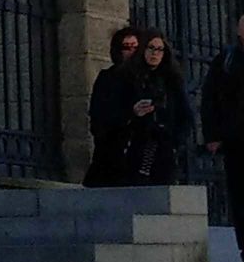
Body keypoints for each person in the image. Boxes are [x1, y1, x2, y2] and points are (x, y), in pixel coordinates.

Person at [112, 27, 193, 185]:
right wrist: (133, 112)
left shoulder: (172, 80)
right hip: (137, 145)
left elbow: (185, 114)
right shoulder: (126, 77)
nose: (155, 53)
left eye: (159, 49)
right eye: (151, 48)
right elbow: (114, 112)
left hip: (165, 146)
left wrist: (176, 142)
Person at [201, 15, 244, 262]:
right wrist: (213, 135)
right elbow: (210, 99)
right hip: (236, 142)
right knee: (240, 197)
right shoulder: (226, 61)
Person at [82, 25, 141, 187]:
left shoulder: (149, 78)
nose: (132, 52)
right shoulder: (108, 78)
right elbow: (98, 112)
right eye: (127, 47)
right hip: (112, 146)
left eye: (136, 47)